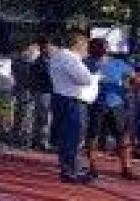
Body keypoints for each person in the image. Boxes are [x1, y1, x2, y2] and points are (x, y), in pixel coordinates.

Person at [47, 31, 99, 184]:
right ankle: (71, 171)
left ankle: (69, 168)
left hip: (61, 98)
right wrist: (94, 76)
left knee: (66, 137)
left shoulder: (58, 57)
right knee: (73, 137)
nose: (87, 50)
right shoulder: (70, 58)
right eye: (85, 46)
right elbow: (84, 79)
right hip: (72, 101)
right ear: (78, 44)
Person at [85, 38, 132, 178]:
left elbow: (132, 78)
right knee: (92, 136)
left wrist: (130, 85)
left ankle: (126, 167)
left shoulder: (118, 63)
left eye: (104, 46)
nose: (102, 49)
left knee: (123, 136)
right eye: (97, 47)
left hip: (116, 105)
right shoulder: (84, 63)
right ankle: (92, 167)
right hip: (94, 105)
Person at [10, 41, 42, 149]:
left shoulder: (17, 61)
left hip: (21, 91)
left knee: (20, 115)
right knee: (27, 116)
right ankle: (24, 140)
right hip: (28, 92)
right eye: (35, 50)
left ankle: (18, 138)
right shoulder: (29, 63)